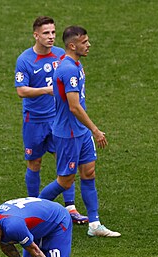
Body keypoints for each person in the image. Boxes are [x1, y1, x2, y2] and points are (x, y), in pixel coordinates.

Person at [38, 26, 121, 237]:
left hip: (80, 131)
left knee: (89, 173)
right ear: (73, 46)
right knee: (65, 181)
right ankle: (34, 209)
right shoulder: (67, 69)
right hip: (68, 133)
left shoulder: (76, 64)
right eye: (84, 42)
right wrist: (95, 130)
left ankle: (94, 225)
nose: (89, 45)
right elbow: (74, 106)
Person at [15, 16, 88, 225]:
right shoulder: (25, 60)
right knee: (34, 162)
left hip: (58, 120)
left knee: (64, 162)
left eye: (53, 32)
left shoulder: (61, 55)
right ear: (35, 35)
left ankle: (70, 208)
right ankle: (33, 206)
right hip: (34, 120)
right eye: (46, 33)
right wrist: (47, 90)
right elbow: (21, 91)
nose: (51, 37)